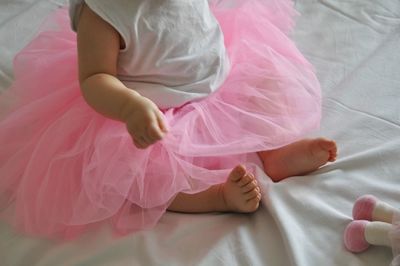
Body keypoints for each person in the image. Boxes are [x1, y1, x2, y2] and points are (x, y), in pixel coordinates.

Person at [0, 0, 337, 239]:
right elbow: (94, 78)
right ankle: (216, 197)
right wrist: (129, 108)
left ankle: (272, 152)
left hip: (218, 81)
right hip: (149, 112)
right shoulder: (104, 11)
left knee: (267, 83)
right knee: (139, 171)